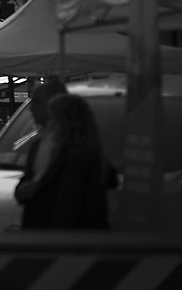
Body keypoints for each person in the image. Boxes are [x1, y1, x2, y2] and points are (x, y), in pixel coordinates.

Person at [16, 93, 117, 229]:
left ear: (66, 123)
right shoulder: (65, 152)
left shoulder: (79, 158)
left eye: (53, 118)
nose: (50, 124)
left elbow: (68, 207)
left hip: (64, 237)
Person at [12, 79, 67, 228]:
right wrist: (22, 190)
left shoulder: (75, 147)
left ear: (54, 103)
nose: (31, 108)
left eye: (36, 102)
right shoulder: (37, 144)